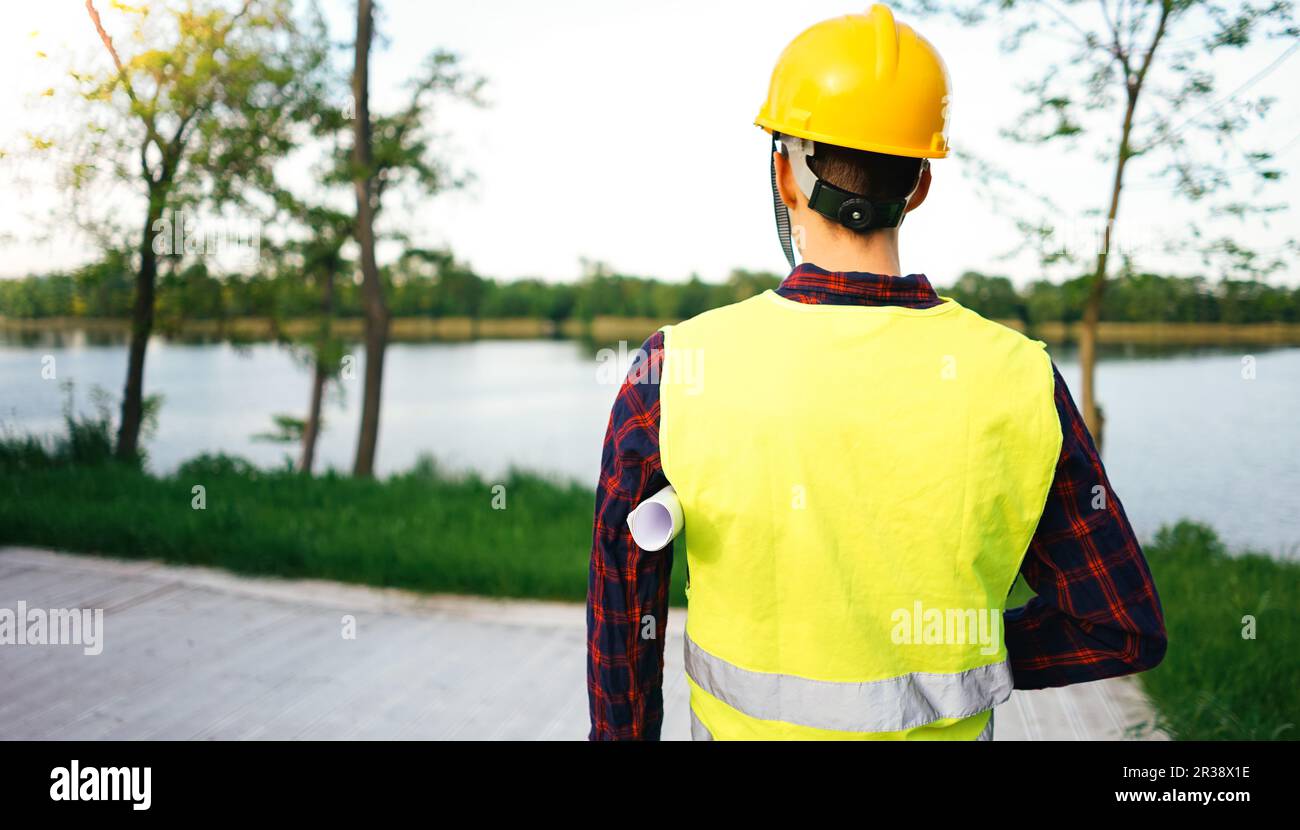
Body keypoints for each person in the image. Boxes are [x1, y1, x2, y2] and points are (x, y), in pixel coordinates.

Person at [587, 3, 1166, 741]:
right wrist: (965, 650)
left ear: (785, 176)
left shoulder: (675, 369)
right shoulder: (1019, 376)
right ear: (919, 183)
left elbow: (623, 615)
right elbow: (1120, 627)